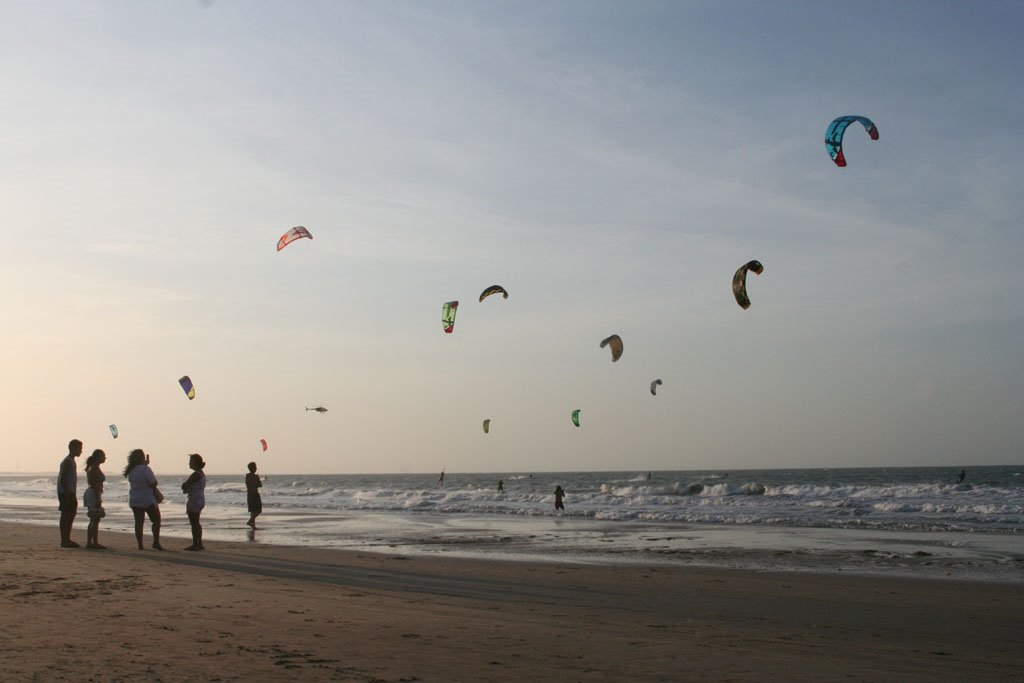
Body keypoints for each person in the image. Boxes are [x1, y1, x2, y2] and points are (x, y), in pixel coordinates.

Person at [124, 449, 163, 550]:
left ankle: (140, 544)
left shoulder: (131, 470)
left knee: (139, 523)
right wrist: (146, 465)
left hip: (135, 498)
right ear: (142, 458)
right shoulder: (146, 469)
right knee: (156, 520)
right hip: (147, 499)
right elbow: (153, 482)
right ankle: (156, 542)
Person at [57, 439, 83, 548]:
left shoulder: (70, 460)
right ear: (74, 449)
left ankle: (66, 539)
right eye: (80, 449)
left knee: (69, 514)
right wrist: (67, 492)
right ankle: (65, 540)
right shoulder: (68, 461)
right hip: (66, 492)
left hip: (67, 491)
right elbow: (63, 478)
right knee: (67, 515)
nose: (81, 451)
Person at [181, 454, 207, 551]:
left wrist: (185, 487)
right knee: (197, 522)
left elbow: (184, 485)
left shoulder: (195, 474)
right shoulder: (201, 473)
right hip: (200, 499)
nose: (189, 463)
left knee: (194, 523)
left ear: (195, 463)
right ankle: (199, 543)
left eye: (191, 461)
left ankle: (195, 544)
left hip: (194, 500)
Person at [83, 449, 107, 549]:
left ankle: (90, 542)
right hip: (94, 493)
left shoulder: (94, 467)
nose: (105, 458)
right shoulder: (95, 468)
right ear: (98, 457)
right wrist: (98, 499)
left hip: (92, 493)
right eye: (103, 456)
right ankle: (94, 542)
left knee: (93, 519)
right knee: (95, 519)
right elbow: (96, 484)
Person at [245, 461, 263, 529]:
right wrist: (259, 479)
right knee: (258, 510)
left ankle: (253, 526)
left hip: (249, 495)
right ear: (254, 468)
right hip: (255, 494)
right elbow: (259, 485)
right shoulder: (256, 476)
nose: (256, 468)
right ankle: (250, 521)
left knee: (252, 511)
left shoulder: (247, 476)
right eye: (255, 467)